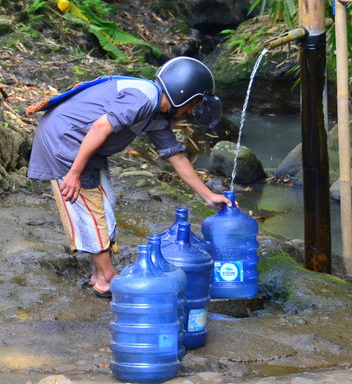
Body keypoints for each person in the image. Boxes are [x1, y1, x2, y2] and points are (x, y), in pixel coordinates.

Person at [27, 56, 231, 297]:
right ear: (182, 94)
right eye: (193, 103)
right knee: (90, 208)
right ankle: (106, 278)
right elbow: (101, 127)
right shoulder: (142, 98)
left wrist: (208, 196)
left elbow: (176, 156)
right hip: (65, 140)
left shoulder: (157, 115)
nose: (191, 110)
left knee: (105, 202)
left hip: (85, 146)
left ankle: (98, 274)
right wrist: (74, 172)